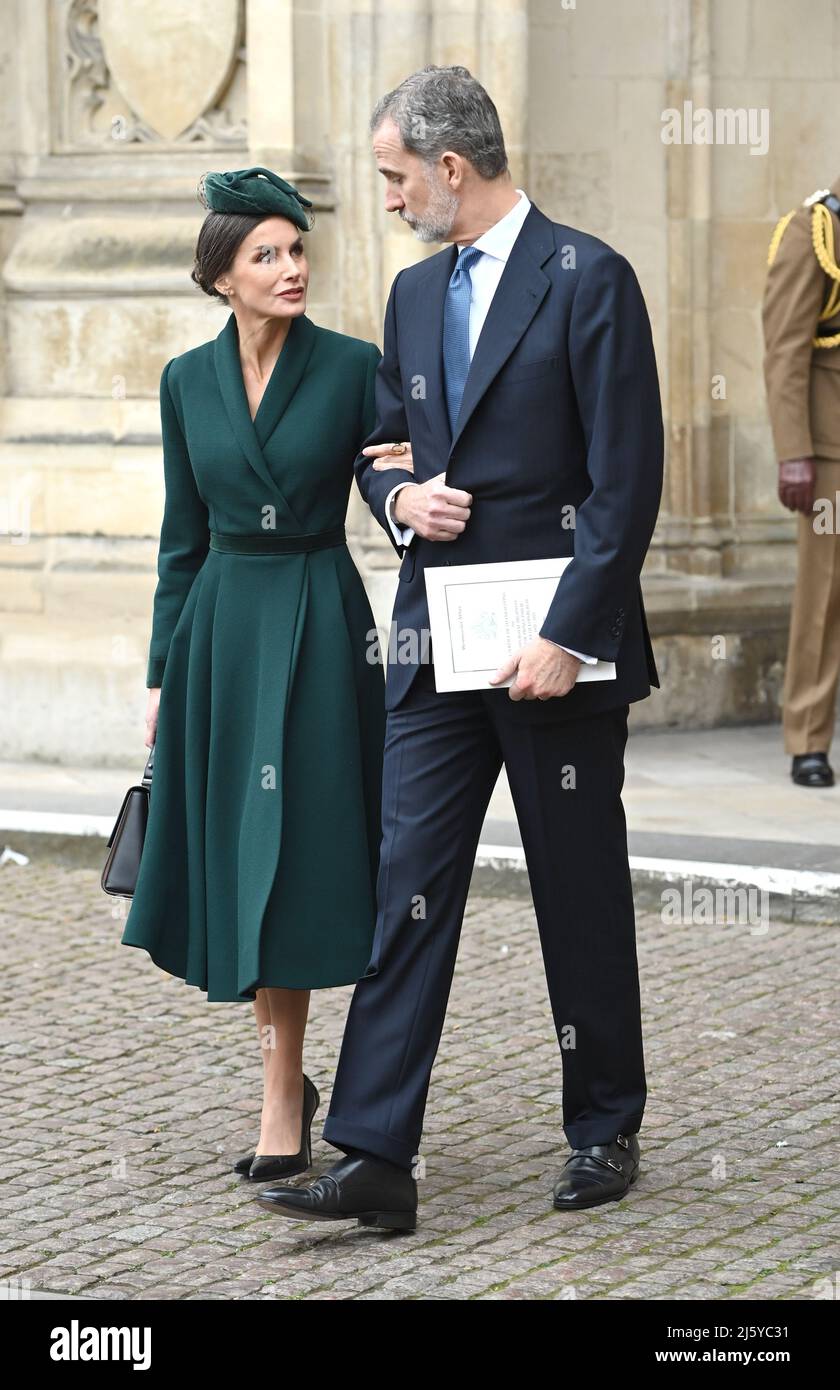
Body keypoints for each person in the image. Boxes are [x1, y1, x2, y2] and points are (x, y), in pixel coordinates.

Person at [255, 66, 664, 1232]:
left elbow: (628, 484)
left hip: (555, 652)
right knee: (408, 888)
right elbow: (380, 446)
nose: (385, 200)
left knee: (575, 891)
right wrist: (401, 505)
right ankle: (377, 1154)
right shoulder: (412, 294)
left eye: (392, 177)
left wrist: (567, 635)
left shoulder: (592, 277)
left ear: (449, 167)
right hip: (435, 645)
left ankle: (605, 1127)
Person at [119, 167, 388, 1183]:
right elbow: (179, 537)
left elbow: (394, 484)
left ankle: (292, 1088)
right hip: (223, 632)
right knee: (243, 858)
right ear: (221, 277)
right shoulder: (186, 382)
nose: (290, 269)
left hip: (321, 620)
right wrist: (160, 670)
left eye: (297, 250)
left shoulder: (357, 365)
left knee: (305, 857)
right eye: (265, 255)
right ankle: (283, 1082)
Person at [763, 178, 840, 787]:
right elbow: (785, 348)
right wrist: (795, 452)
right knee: (824, 599)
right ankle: (808, 739)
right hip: (831, 448)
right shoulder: (815, 228)